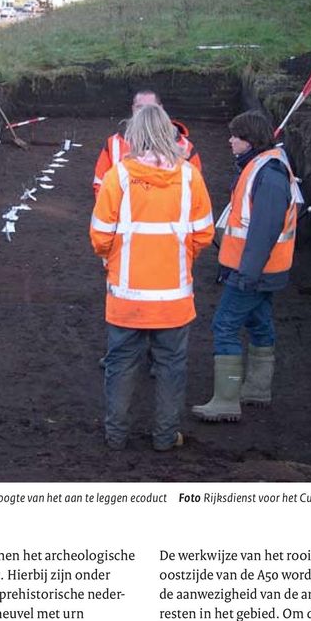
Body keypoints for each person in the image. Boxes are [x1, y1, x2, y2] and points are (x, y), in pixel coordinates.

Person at [90, 104, 215, 450]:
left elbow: (100, 236)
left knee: (120, 366)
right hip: (174, 302)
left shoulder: (118, 177)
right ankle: (164, 438)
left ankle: (115, 435)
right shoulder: (191, 177)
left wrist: (112, 261)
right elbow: (204, 234)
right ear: (168, 133)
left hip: (126, 300)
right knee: (171, 368)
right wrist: (180, 258)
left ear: (133, 135)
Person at [192, 110, 298, 422]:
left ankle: (226, 401)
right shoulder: (265, 169)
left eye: (235, 136)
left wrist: (246, 274)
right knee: (259, 322)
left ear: (249, 140)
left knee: (224, 325)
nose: (230, 140)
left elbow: (263, 230)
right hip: (264, 271)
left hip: (252, 273)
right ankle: (257, 389)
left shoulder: (267, 175)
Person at [92, 90, 202, 198]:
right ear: (133, 109)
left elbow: (196, 189)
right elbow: (100, 185)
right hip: (126, 215)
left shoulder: (186, 147)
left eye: (151, 108)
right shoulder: (113, 144)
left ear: (161, 109)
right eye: (140, 107)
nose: (145, 113)